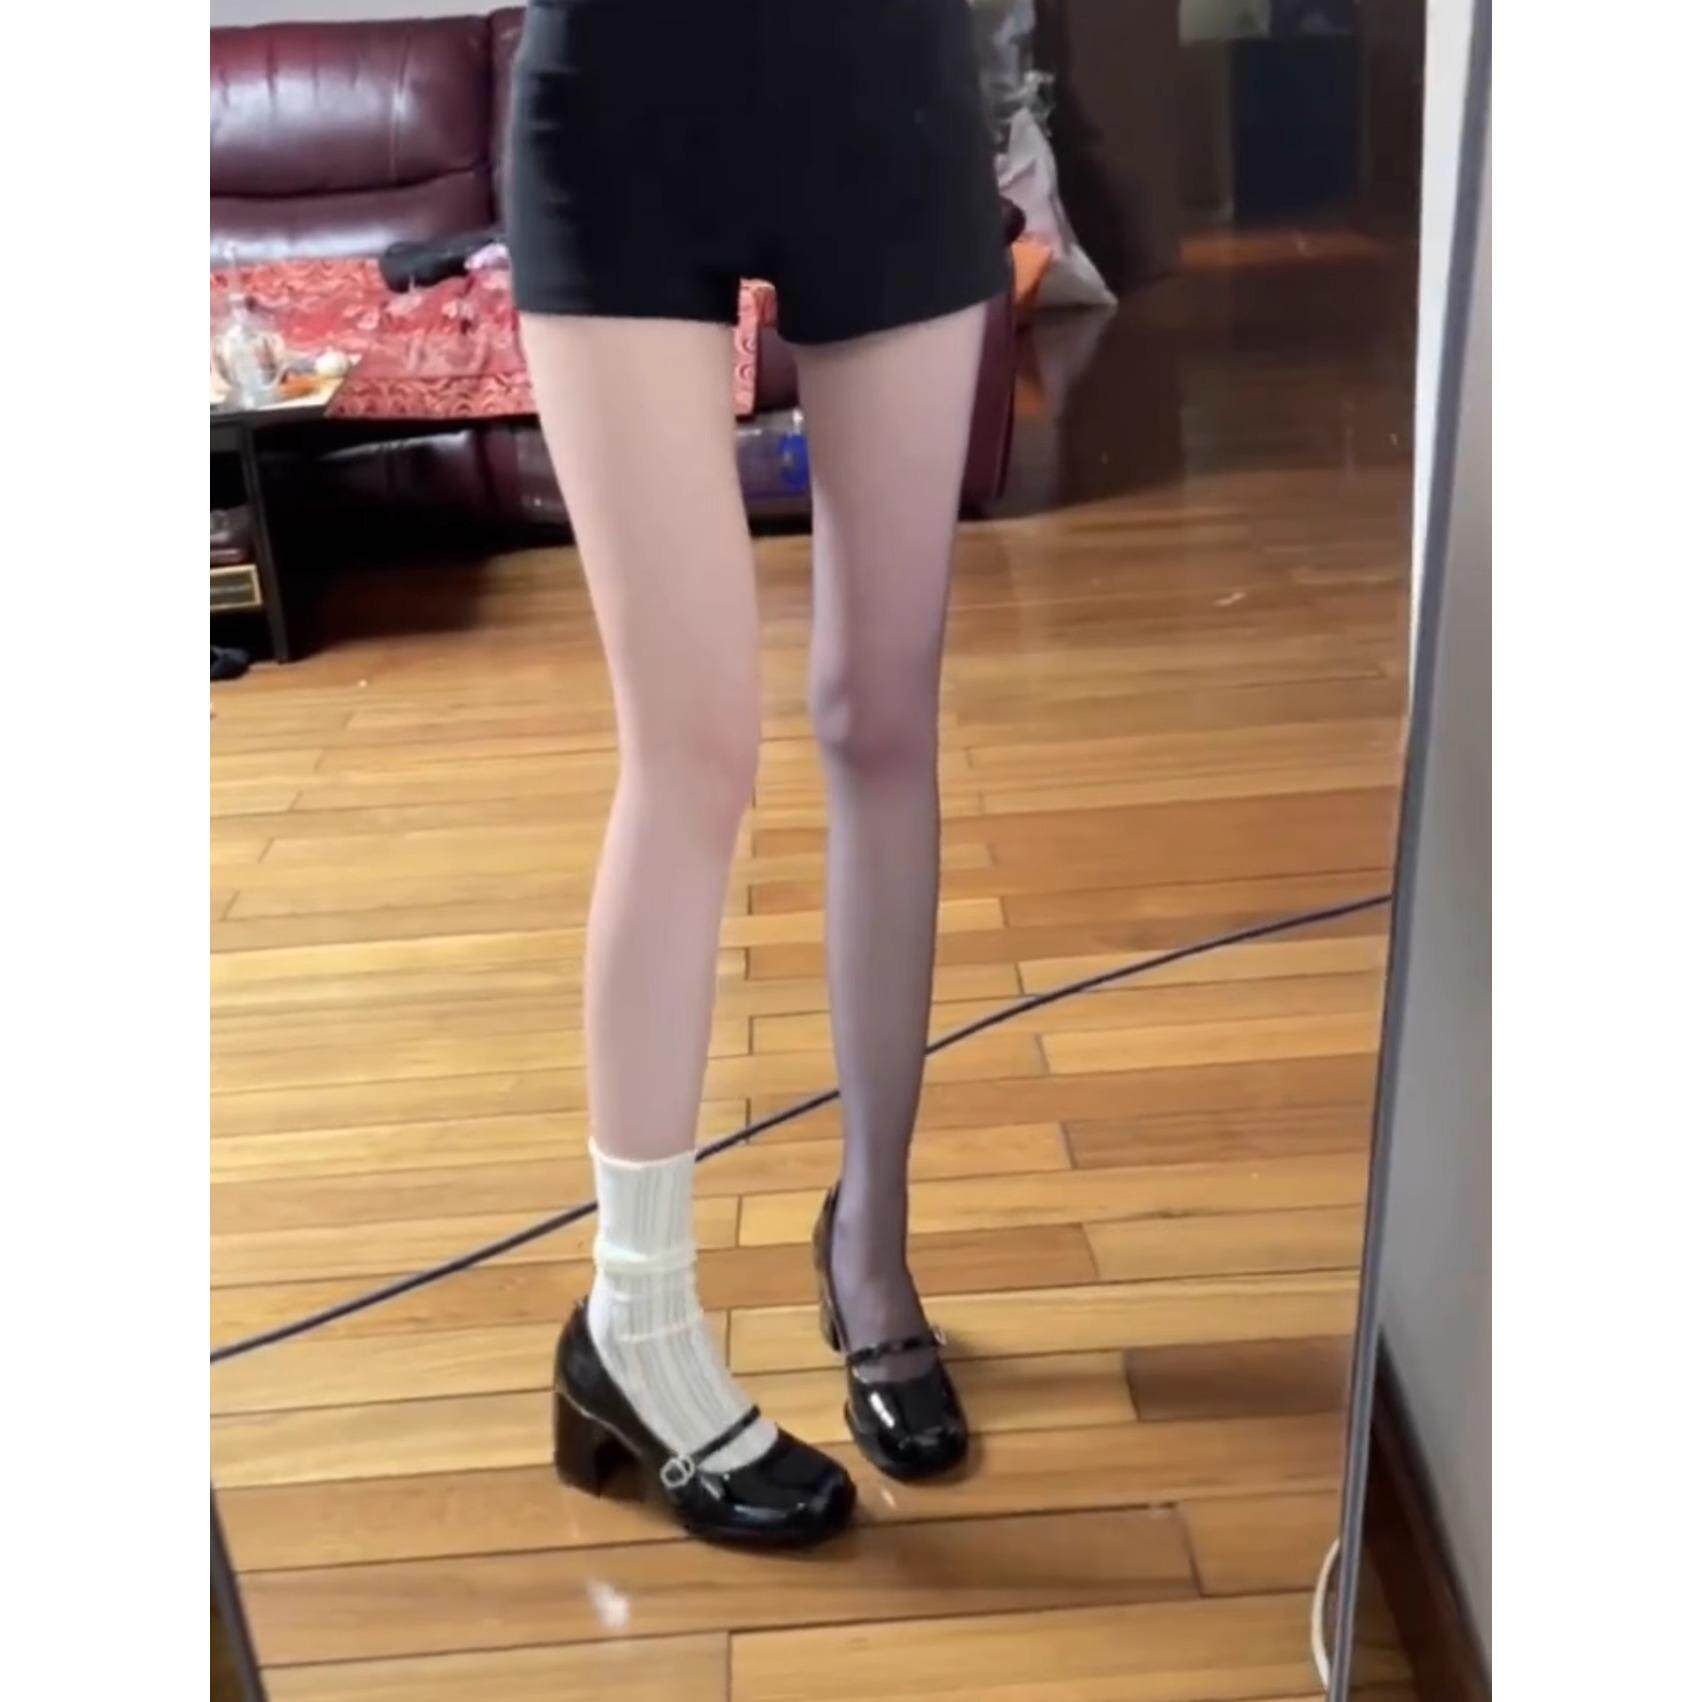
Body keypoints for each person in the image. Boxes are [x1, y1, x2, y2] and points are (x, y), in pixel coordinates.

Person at [507, 0, 1008, 1547]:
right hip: (621, 88)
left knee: (879, 713)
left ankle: (870, 1242)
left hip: (887, 86)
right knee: (688, 749)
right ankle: (636, 1317)